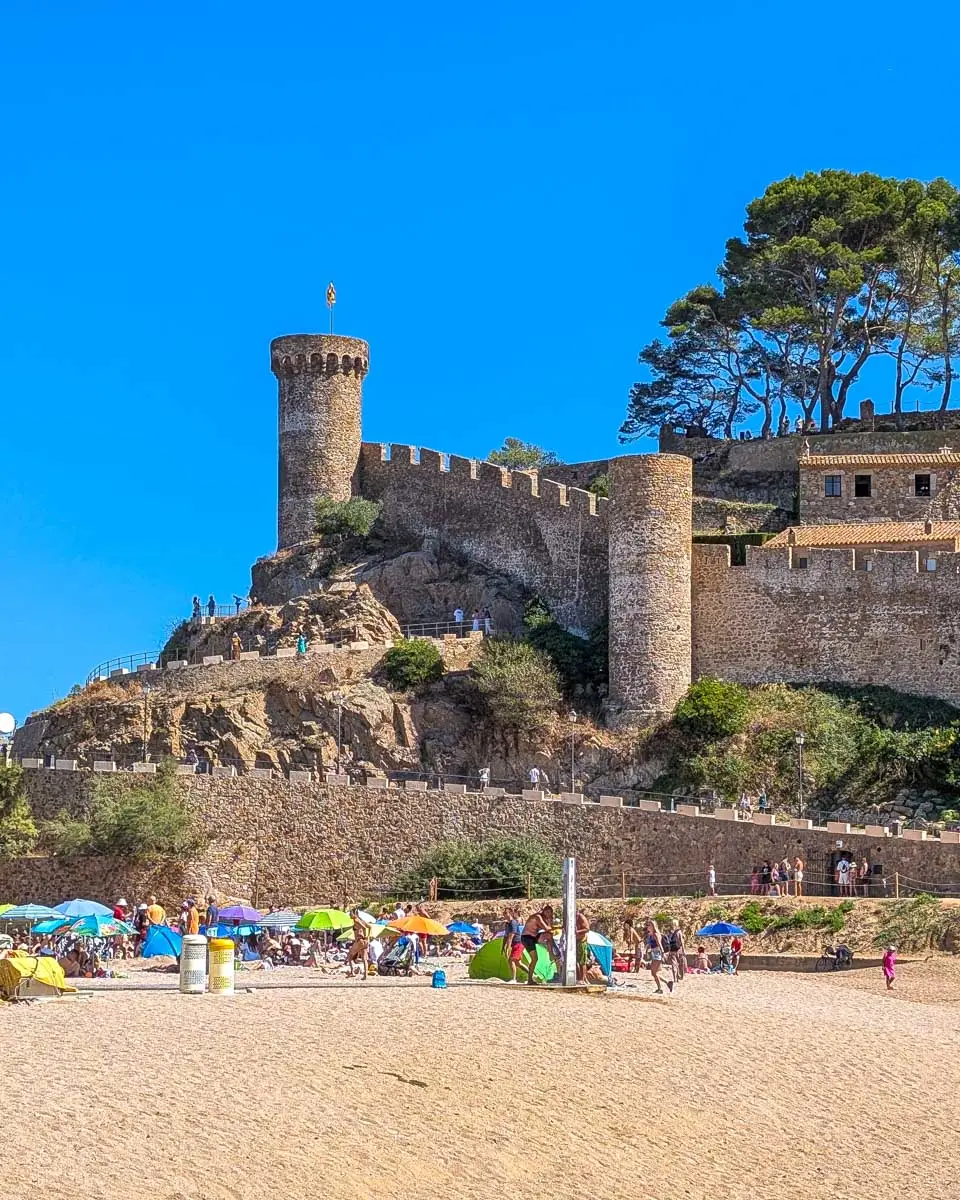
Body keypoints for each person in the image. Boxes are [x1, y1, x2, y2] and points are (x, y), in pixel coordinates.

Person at [519, 905, 554, 986]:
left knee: (549, 935)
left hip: (534, 937)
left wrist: (550, 921)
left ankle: (550, 953)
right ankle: (530, 979)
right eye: (547, 912)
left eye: (550, 913)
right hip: (527, 938)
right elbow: (547, 928)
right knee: (535, 959)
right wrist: (559, 926)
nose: (549, 914)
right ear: (544, 911)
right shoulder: (538, 917)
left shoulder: (544, 918)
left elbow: (550, 930)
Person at [644, 919, 672, 994]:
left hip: (657, 954)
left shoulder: (656, 934)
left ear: (653, 926)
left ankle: (661, 988)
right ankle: (667, 983)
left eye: (649, 925)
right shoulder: (651, 934)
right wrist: (647, 950)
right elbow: (649, 944)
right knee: (654, 973)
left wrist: (662, 953)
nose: (648, 927)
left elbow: (659, 944)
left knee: (654, 973)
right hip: (653, 953)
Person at [345, 912, 370, 980]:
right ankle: (365, 975)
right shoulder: (362, 920)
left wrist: (365, 935)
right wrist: (367, 936)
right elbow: (369, 927)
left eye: (351, 913)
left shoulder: (356, 920)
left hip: (359, 940)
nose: (350, 915)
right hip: (365, 941)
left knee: (349, 955)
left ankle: (352, 972)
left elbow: (364, 928)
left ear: (355, 914)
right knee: (364, 959)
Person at [575, 910, 591, 984]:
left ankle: (582, 978)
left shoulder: (580, 917)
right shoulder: (571, 917)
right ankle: (579, 978)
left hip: (581, 941)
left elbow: (587, 929)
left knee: (582, 961)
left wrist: (577, 932)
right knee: (574, 961)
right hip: (574, 941)